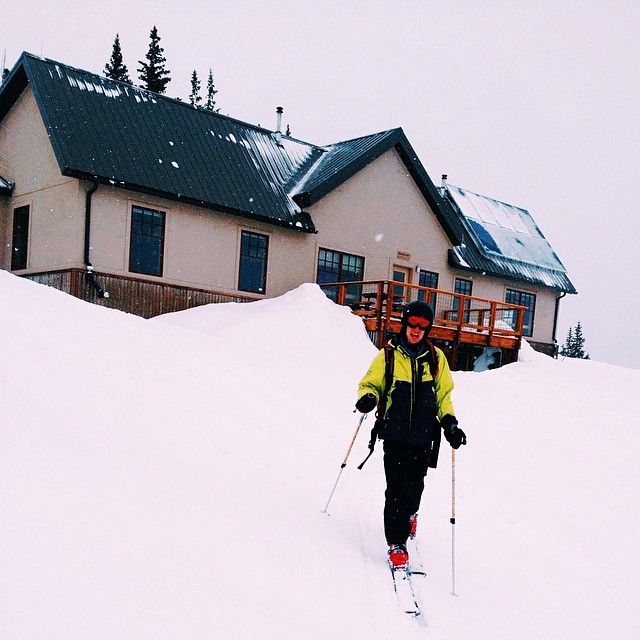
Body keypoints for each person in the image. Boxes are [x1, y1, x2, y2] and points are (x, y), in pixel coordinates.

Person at [355, 300, 467, 570]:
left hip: (423, 437)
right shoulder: (389, 356)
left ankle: (411, 513)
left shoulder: (436, 359)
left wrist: (450, 423)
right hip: (394, 434)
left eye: (422, 326)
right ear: (404, 324)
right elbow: (370, 383)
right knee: (395, 489)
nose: (416, 330)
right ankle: (396, 542)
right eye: (412, 325)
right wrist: (368, 397)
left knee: (415, 486)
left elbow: (443, 396)